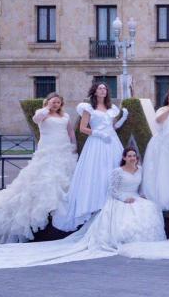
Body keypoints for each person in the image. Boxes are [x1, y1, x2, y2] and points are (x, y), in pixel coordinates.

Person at [0, 147, 165, 268]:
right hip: (120, 199)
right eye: (129, 156)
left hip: (135, 197)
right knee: (129, 215)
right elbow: (112, 191)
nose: (132, 158)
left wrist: (140, 195)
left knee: (149, 207)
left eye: (134, 156)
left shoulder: (139, 170)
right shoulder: (118, 172)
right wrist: (124, 198)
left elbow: (140, 186)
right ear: (124, 157)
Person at [0, 92, 77, 243]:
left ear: (61, 104)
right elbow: (36, 119)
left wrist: (73, 145)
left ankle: (61, 212)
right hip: (48, 150)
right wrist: (46, 108)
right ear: (48, 102)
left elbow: (70, 131)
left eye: (58, 102)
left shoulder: (65, 117)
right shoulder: (42, 114)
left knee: (64, 178)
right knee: (47, 178)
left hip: (63, 150)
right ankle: (45, 210)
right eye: (54, 101)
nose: (56, 104)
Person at [52, 81, 128, 232]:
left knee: (114, 169)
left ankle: (112, 203)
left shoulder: (111, 108)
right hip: (96, 142)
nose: (103, 90)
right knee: (97, 172)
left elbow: (113, 127)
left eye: (105, 88)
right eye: (100, 88)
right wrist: (99, 134)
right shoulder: (88, 108)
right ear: (94, 91)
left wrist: (123, 118)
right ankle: (95, 204)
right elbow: (82, 128)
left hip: (112, 141)